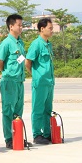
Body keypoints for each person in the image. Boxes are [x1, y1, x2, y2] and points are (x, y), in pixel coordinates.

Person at [0, 14, 26, 149]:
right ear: (11, 26)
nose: (21, 28)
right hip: (9, 81)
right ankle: (9, 138)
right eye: (19, 25)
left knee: (18, 110)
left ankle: (18, 136)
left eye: (21, 25)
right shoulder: (6, 43)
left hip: (20, 81)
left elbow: (21, 59)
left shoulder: (20, 43)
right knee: (8, 110)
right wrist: (8, 73)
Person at [25, 17, 55, 145]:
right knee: (38, 109)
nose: (52, 30)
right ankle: (37, 134)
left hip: (49, 82)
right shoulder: (36, 44)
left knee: (47, 109)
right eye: (50, 28)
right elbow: (28, 62)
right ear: (42, 29)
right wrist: (35, 75)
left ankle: (47, 134)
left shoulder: (48, 45)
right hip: (40, 82)